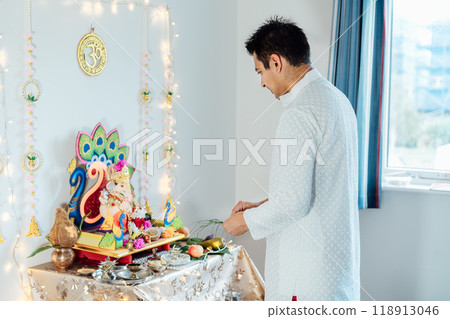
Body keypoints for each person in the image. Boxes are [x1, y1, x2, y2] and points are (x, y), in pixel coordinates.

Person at [223, 16, 360, 301]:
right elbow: (319, 185)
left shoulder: (299, 112)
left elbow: (295, 202)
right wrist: (262, 205)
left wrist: (245, 221)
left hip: (306, 272)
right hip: (335, 262)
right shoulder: (337, 100)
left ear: (276, 62)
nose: (261, 82)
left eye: (260, 71)